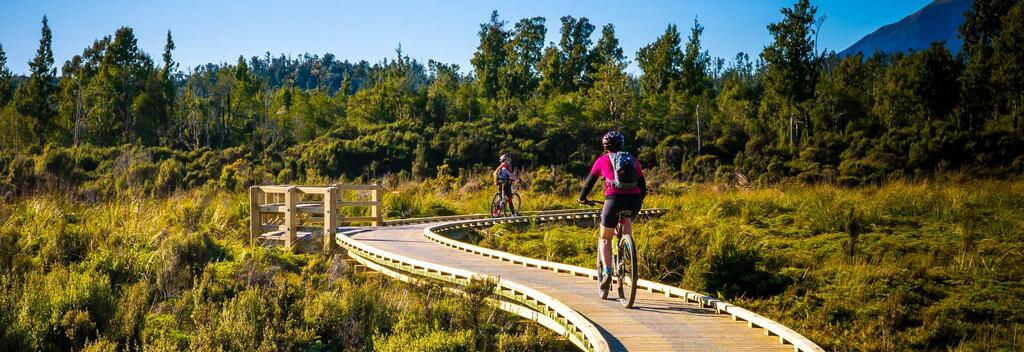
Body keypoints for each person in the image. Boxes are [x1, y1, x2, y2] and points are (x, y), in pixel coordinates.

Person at [577, 131, 647, 291]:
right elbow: (643, 186)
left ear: (605, 146)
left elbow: (588, 184)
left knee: (606, 238)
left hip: (613, 200)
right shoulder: (632, 160)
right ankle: (628, 247)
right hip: (634, 200)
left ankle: (608, 272)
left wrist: (582, 198)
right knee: (626, 217)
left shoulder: (602, 160)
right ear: (622, 144)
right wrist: (638, 199)